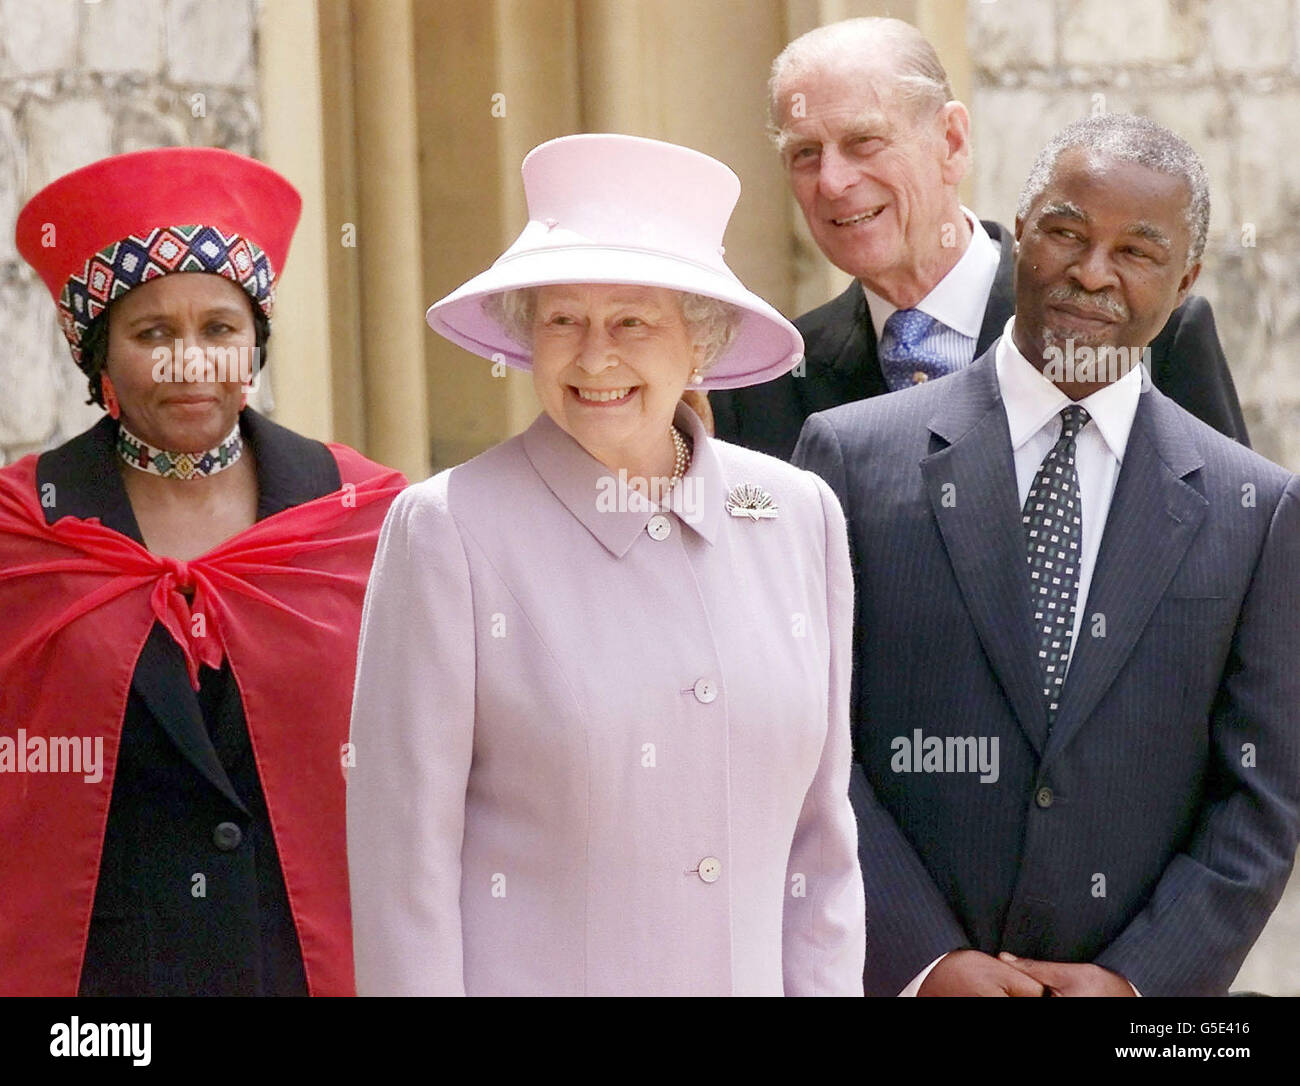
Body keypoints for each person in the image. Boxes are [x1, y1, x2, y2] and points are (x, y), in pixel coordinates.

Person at [793, 113, 1300, 996]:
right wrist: (921, 959)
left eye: (1137, 252)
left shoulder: (1253, 508)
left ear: (1185, 280)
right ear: (1020, 234)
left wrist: (1140, 982)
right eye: (1066, 232)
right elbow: (806, 737)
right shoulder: (849, 458)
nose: (1092, 273)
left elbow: (1259, 796)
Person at [347, 133, 865, 996]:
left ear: (699, 343)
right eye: (563, 320)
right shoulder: (447, 531)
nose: (594, 357)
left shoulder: (795, 516)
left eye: (631, 320)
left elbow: (822, 847)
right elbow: (405, 871)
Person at [0, 147, 407, 995]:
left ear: (255, 342)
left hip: (316, 969)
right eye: (153, 333)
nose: (192, 361)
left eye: (219, 329)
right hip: (96, 989)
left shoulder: (369, 518)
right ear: (98, 356)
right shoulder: (21, 530)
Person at [710, 16, 1250, 459]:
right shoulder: (768, 380)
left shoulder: (1147, 332)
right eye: (805, 153)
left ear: (951, 141)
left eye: (864, 141)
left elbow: (1227, 538)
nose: (833, 181)